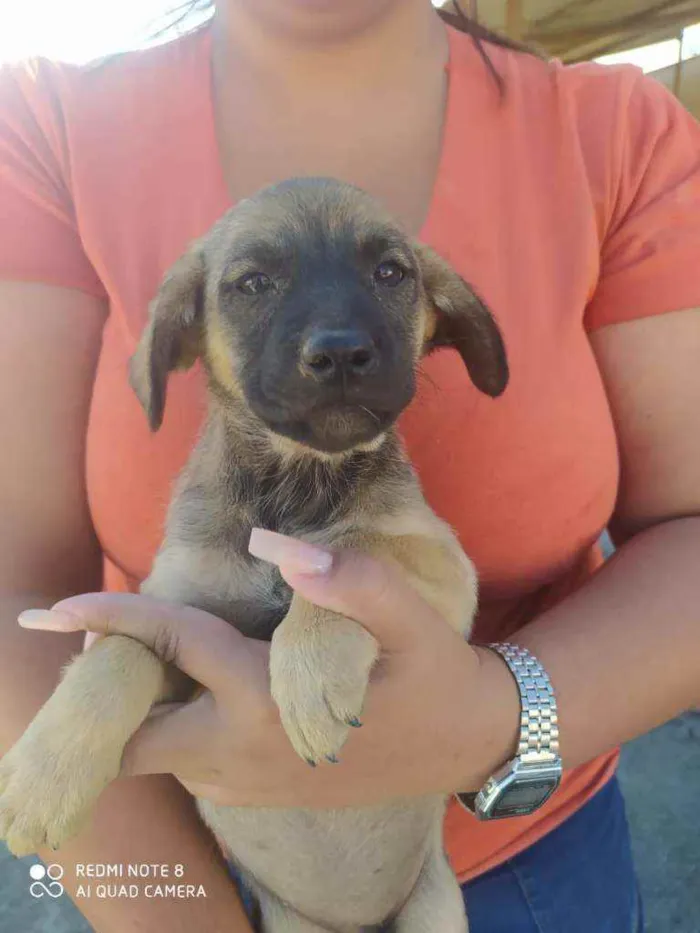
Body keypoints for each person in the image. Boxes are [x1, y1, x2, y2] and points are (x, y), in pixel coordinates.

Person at [1, 1, 699, 930]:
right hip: (193, 870)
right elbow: (40, 600)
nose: (334, 337)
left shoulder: (621, 131)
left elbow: (446, 571)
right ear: (183, 338)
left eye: (384, 275)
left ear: (446, 323)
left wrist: (495, 716)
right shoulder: (44, 121)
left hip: (497, 872)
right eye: (256, 284)